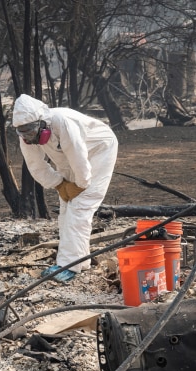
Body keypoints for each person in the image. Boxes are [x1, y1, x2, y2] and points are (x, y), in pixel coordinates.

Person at [12, 94, 118, 282]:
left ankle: (69, 265)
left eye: (31, 131)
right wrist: (59, 184)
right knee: (67, 208)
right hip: (69, 160)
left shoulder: (63, 122)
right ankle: (80, 260)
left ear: (42, 123)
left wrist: (81, 184)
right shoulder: (26, 136)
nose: (29, 137)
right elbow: (35, 164)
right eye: (23, 133)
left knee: (81, 207)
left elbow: (78, 155)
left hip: (99, 150)